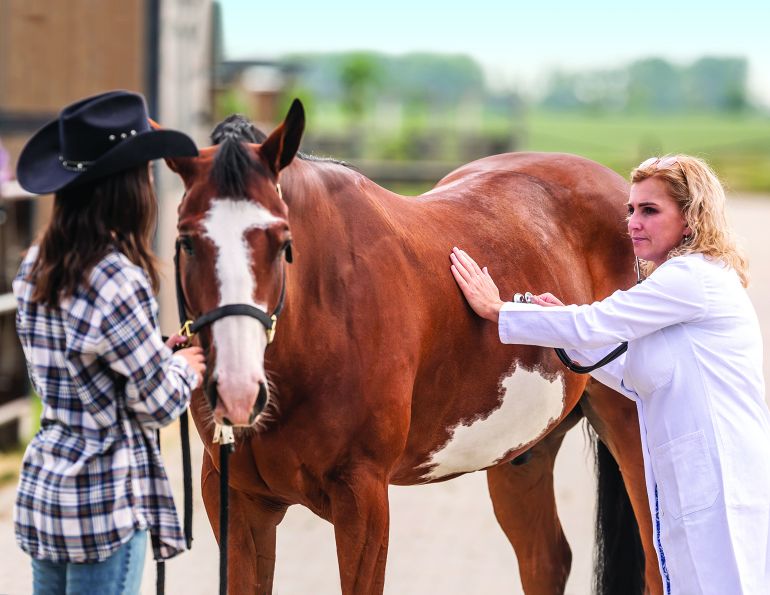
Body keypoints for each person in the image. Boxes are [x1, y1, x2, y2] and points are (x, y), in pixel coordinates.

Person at [450, 154, 770, 594]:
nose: (633, 223)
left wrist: (498, 309)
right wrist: (556, 323)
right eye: (631, 209)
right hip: (688, 477)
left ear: (691, 220)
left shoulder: (691, 278)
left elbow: (596, 324)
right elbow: (626, 370)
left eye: (650, 211)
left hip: (721, 475)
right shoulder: (680, 280)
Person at [12, 90, 206, 594]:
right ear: (127, 188)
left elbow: (70, 373)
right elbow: (159, 403)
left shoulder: (35, 267)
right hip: (104, 502)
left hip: (49, 491)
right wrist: (186, 365)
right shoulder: (118, 279)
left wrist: (150, 352)